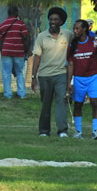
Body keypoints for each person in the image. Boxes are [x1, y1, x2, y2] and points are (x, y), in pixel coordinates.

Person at [31, 7, 74, 137]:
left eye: (56, 19)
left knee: (61, 101)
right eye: (50, 19)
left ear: (61, 21)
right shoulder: (41, 36)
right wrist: (34, 77)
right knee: (46, 104)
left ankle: (62, 130)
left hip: (61, 74)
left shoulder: (67, 34)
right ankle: (44, 131)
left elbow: (79, 40)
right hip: (44, 76)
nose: (53, 22)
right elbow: (37, 58)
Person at [67, 19, 97, 139]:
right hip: (79, 78)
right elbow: (70, 64)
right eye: (74, 28)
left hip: (93, 77)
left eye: (77, 28)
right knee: (78, 105)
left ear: (84, 29)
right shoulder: (72, 44)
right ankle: (78, 132)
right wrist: (69, 82)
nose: (75, 31)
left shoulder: (94, 41)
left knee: (95, 103)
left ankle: (95, 131)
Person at [0, 6, 30, 98]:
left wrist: (2, 52)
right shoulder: (21, 24)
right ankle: (22, 93)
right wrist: (26, 50)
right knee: (19, 72)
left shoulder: (2, 25)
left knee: (6, 73)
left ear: (8, 13)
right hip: (19, 53)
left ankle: (8, 94)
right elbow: (25, 37)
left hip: (6, 52)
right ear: (16, 13)